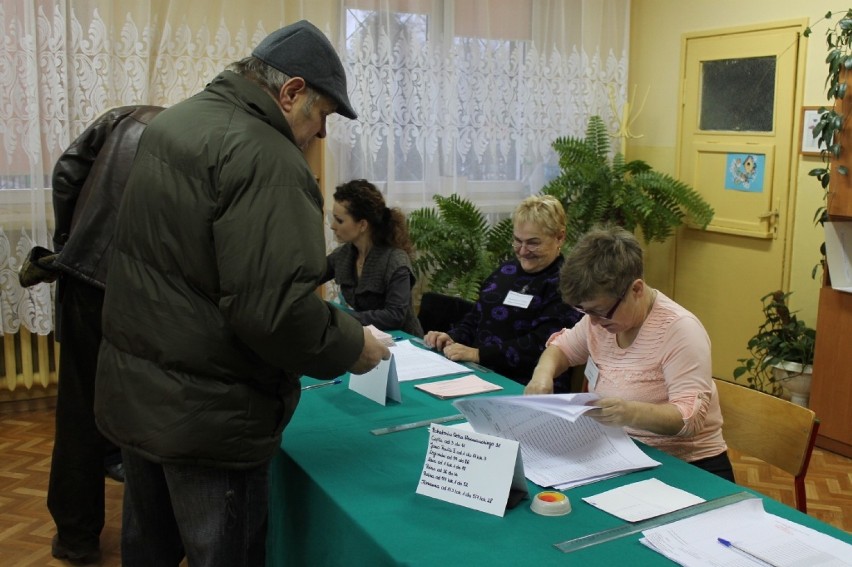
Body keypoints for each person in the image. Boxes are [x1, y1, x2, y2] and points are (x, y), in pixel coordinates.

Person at [93, 20, 389, 566]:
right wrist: (353, 346)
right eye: (322, 114)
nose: (322, 134)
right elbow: (275, 313)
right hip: (212, 418)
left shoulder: (175, 122)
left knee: (148, 550)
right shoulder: (267, 159)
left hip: (141, 394)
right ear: (291, 91)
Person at [19, 105, 164, 564]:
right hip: (148, 288)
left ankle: (75, 537)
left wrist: (70, 242)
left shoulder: (127, 117)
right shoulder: (201, 140)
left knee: (78, 406)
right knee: (149, 403)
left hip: (83, 277)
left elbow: (67, 173)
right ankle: (157, 532)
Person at [524, 224, 734, 481]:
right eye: (585, 311)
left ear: (636, 289)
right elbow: (561, 348)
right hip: (622, 453)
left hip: (687, 465)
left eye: (600, 311)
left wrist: (629, 412)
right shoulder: (598, 320)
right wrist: (542, 377)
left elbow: (689, 418)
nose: (595, 322)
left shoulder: (679, 330)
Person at [423, 195, 583, 390]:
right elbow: (476, 318)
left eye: (533, 243)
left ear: (560, 237)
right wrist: (451, 337)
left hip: (528, 386)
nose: (523, 251)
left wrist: (478, 354)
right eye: (517, 241)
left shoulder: (567, 285)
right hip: (478, 374)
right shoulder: (504, 272)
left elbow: (542, 345)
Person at [323, 179, 423, 336]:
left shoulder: (396, 261)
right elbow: (310, 275)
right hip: (371, 338)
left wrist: (341, 317)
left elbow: (394, 316)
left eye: (340, 220)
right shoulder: (344, 255)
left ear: (362, 225)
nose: (333, 226)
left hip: (404, 344)